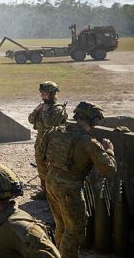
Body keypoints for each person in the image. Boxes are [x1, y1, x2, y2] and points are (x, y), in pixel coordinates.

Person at [36, 101, 116, 258]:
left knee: (60, 224)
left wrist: (45, 177)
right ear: (93, 120)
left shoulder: (54, 131)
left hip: (51, 183)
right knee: (74, 231)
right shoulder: (88, 142)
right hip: (70, 190)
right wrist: (110, 151)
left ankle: (56, 254)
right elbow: (108, 169)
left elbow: (39, 155)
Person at [28, 81, 67, 199]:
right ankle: (45, 191)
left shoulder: (57, 109)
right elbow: (30, 120)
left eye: (44, 94)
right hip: (40, 141)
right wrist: (36, 110)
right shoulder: (42, 106)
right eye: (42, 94)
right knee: (41, 167)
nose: (42, 96)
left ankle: (52, 193)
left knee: (51, 169)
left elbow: (50, 124)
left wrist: (44, 111)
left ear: (52, 94)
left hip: (52, 143)